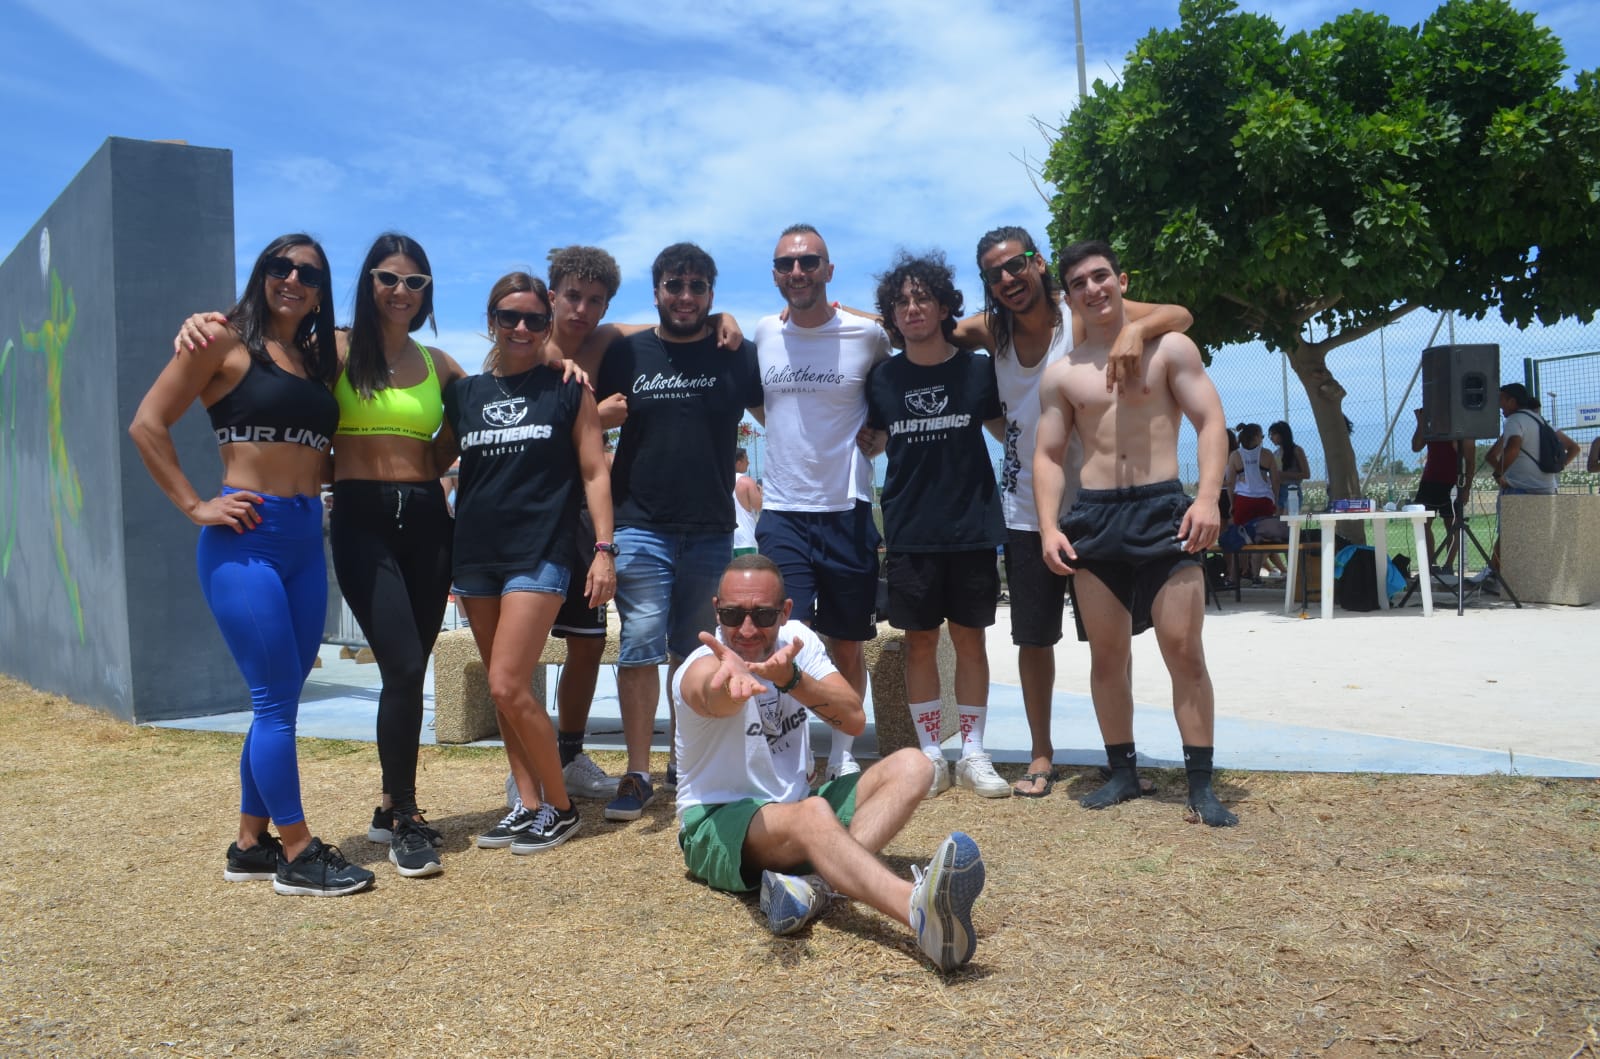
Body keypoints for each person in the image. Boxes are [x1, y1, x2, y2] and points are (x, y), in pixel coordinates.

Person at [129, 234, 375, 895]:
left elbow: (386, 335)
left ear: (321, 292)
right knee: (273, 704)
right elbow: (147, 424)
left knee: (281, 699)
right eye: (280, 266)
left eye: (309, 274)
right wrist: (194, 505)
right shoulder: (219, 340)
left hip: (304, 544)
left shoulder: (319, 360)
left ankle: (249, 844)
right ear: (261, 273)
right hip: (245, 542)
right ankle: (297, 851)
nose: (293, 279)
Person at [959, 226, 1193, 797]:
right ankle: (1041, 755)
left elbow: (1180, 315)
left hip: (1096, 506)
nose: (1008, 279)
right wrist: (848, 315)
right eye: (994, 273)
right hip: (1027, 509)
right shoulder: (992, 330)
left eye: (1016, 265)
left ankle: (1122, 759)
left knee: (1110, 644)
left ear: (1038, 263)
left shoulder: (1078, 314)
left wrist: (1135, 329)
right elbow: (917, 323)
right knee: (1033, 638)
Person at [672, 554, 986, 973]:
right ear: (716, 610)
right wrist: (730, 685)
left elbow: (852, 718)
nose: (745, 629)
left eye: (762, 615)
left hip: (795, 813)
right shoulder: (700, 666)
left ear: (785, 612)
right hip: (716, 822)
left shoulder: (796, 643)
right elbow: (710, 695)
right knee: (813, 813)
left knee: (915, 765)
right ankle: (918, 913)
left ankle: (814, 887)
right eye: (732, 615)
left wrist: (792, 680)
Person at [1035, 240, 1237, 827]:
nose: (1093, 289)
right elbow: (1047, 456)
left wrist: (1207, 498)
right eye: (1080, 283)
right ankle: (1122, 772)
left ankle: (1201, 784)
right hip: (1094, 518)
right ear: (1069, 297)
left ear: (1121, 281)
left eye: (1101, 276)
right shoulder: (1062, 373)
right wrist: (1048, 527)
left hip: (1162, 510)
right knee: (1107, 655)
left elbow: (1210, 420)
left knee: (1183, 649)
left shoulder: (1169, 348)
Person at [442, 272, 615, 853]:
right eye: (508, 317)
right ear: (491, 320)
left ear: (547, 322)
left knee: (508, 681)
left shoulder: (568, 388)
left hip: (540, 552)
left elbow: (594, 472)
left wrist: (604, 550)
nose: (520, 327)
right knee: (502, 691)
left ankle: (560, 808)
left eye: (534, 319)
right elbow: (430, 459)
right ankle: (528, 804)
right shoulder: (464, 394)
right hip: (474, 555)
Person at [596, 243, 763, 824]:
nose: (685, 296)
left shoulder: (737, 353)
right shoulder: (627, 353)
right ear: (657, 292)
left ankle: (685, 763)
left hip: (711, 529)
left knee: (694, 651)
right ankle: (638, 772)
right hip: (640, 524)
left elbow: (783, 414)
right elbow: (585, 416)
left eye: (697, 286)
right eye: (674, 285)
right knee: (640, 644)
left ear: (712, 293)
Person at [863, 251, 1009, 800]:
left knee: (970, 640)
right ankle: (930, 755)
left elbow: (1009, 431)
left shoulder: (977, 370)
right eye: (901, 301)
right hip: (910, 530)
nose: (913, 307)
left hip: (971, 527)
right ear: (892, 316)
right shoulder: (882, 378)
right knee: (919, 642)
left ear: (945, 306)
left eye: (923, 297)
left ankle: (972, 751)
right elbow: (874, 440)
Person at [750, 224, 891, 783]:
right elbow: (762, 405)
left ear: (829, 270)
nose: (797, 272)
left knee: (847, 643)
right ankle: (792, 757)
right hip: (783, 512)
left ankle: (843, 755)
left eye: (809, 262)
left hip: (847, 510)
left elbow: (899, 379)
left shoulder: (867, 335)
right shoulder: (764, 332)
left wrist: (881, 432)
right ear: (774, 274)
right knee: (782, 640)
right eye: (786, 264)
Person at [1484, 382, 1580, 580]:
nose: (1499, 405)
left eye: (1501, 399)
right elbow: (1573, 448)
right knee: (1540, 538)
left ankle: (1496, 576)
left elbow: (1513, 448)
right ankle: (1536, 578)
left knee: (1508, 536)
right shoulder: (1541, 421)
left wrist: (1499, 474)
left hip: (1520, 489)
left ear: (1512, 401)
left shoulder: (1514, 420)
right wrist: (1558, 467)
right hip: (1547, 489)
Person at [1410, 407, 1474, 572]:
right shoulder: (1432, 426)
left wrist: (1466, 488)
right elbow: (1416, 446)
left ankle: (1448, 565)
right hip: (1429, 482)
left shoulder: (1460, 429)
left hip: (1451, 482)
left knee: (1453, 524)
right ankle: (1431, 564)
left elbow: (1470, 461)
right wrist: (1421, 422)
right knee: (1423, 523)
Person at [1223, 423, 1279, 581]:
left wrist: (1232, 503)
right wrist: (1275, 499)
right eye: (1261, 436)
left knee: (1240, 538)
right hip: (1264, 501)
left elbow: (1230, 483)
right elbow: (1275, 480)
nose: (1262, 439)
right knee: (1259, 539)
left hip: (1243, 501)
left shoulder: (1235, 456)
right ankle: (1255, 576)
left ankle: (1238, 573)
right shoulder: (1267, 454)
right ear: (1255, 437)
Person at [1267, 420, 1309, 512]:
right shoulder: (1275, 454)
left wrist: (1283, 474)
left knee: (1289, 519)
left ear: (1282, 434)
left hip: (1292, 490)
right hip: (1278, 491)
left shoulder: (1297, 450)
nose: (1271, 438)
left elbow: (1306, 474)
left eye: (1273, 434)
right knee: (1278, 519)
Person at [732, 447, 761, 557]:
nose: (748, 462)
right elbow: (758, 506)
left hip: (728, 538)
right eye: (746, 459)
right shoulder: (746, 481)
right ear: (739, 463)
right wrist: (760, 492)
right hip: (746, 538)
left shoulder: (723, 480)